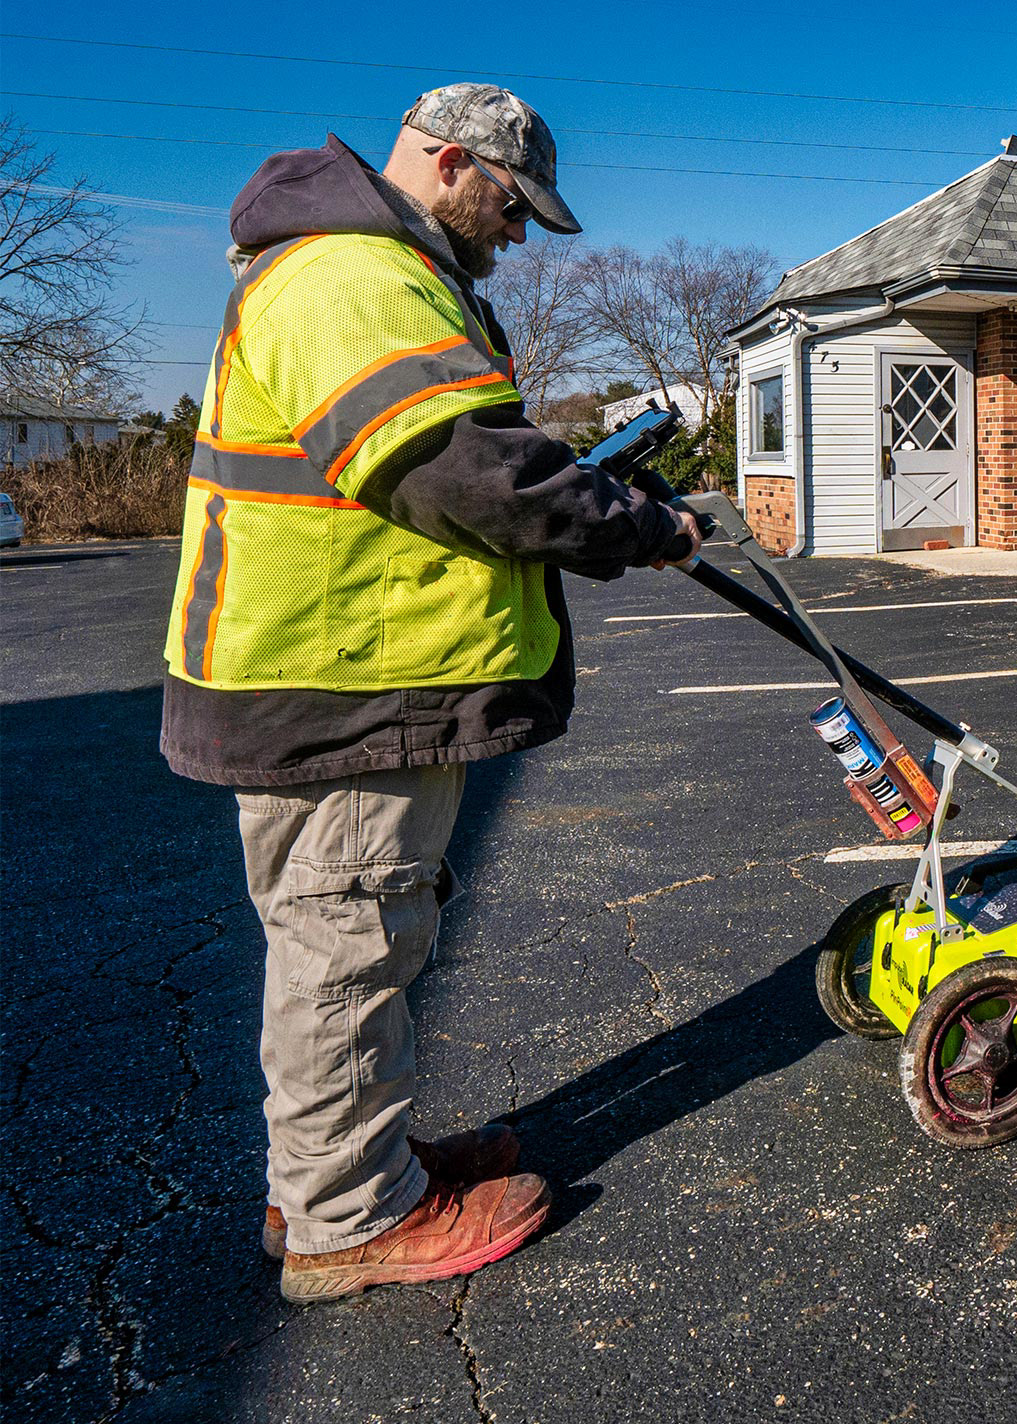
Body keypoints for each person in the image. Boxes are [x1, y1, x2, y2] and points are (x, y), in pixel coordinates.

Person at [159, 84, 699, 1304]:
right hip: (342, 676)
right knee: (350, 939)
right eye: (513, 206)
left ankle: (340, 1167)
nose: (517, 235)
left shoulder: (353, 267)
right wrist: (634, 524)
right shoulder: (351, 271)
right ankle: (350, 1216)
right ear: (451, 161)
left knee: (351, 933)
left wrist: (604, 501)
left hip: (340, 672)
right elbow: (460, 469)